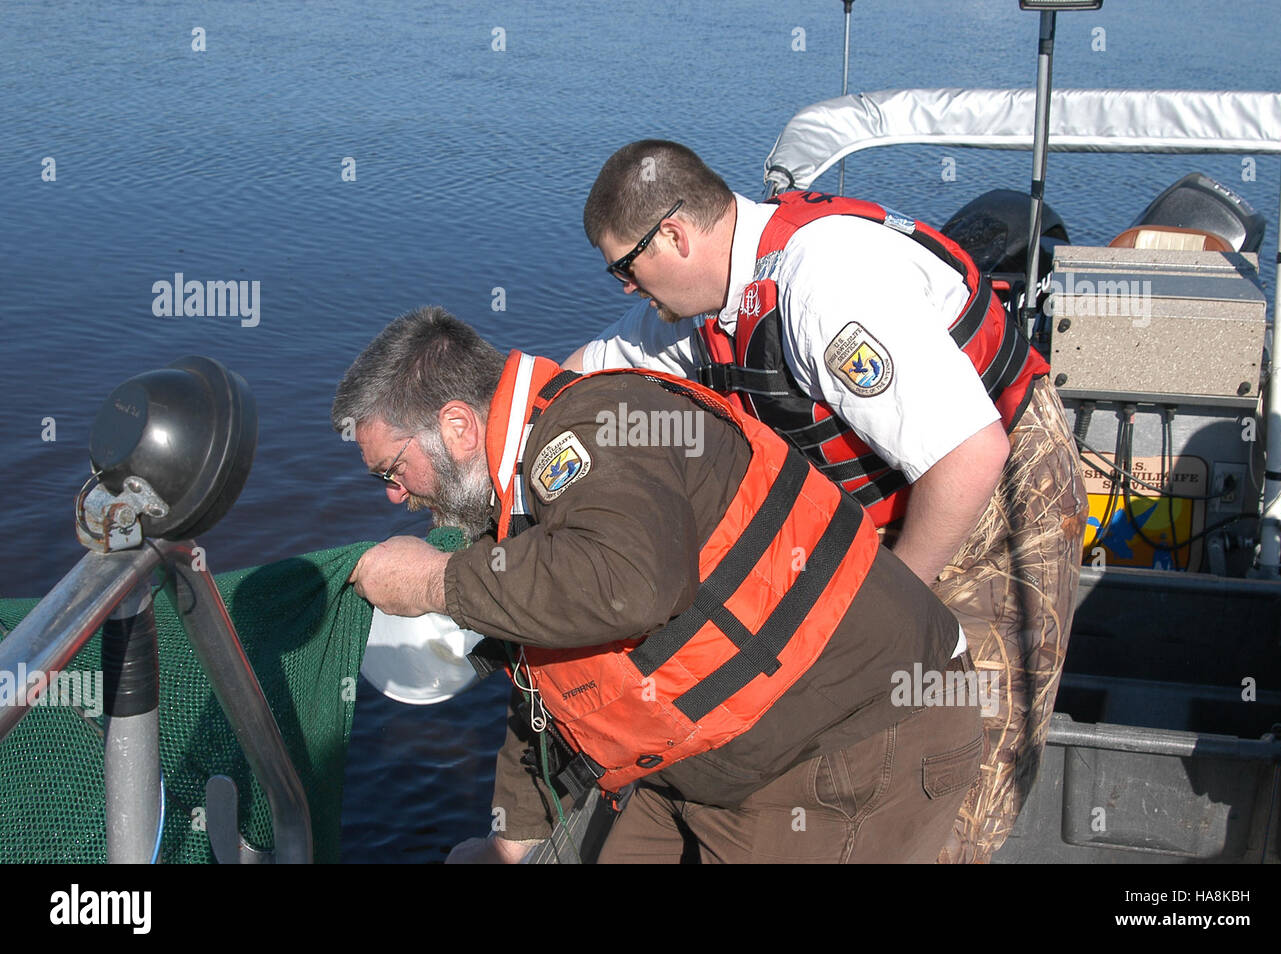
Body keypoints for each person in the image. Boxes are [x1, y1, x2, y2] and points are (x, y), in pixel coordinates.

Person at [563, 140, 1088, 863]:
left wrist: (888, 609)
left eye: (625, 268)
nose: (623, 288)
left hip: (998, 489)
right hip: (901, 487)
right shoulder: (708, 301)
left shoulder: (821, 284)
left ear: (675, 237)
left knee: (957, 758)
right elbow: (588, 378)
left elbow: (972, 456)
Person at [337, 305, 983, 863]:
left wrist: (434, 582)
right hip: (714, 757)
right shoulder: (517, 498)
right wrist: (508, 842)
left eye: (391, 470)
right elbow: (545, 677)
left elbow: (629, 585)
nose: (394, 496)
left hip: (849, 741)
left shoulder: (593, 424)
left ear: (457, 426)